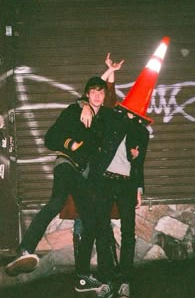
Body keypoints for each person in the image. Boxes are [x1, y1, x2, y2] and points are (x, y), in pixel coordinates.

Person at [5, 57, 123, 278]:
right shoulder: (74, 110)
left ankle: (80, 274)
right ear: (86, 95)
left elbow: (110, 96)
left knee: (87, 218)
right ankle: (28, 250)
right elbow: (50, 138)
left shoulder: (102, 117)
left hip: (82, 174)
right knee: (62, 204)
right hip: (67, 164)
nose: (97, 96)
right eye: (92, 93)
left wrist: (109, 71)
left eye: (101, 92)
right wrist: (73, 144)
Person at [75, 77, 150, 298]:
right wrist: (86, 104)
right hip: (104, 181)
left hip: (127, 184)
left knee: (128, 233)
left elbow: (139, 164)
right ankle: (107, 282)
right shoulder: (110, 117)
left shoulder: (142, 132)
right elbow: (93, 98)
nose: (135, 113)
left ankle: (125, 281)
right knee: (101, 230)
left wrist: (139, 188)